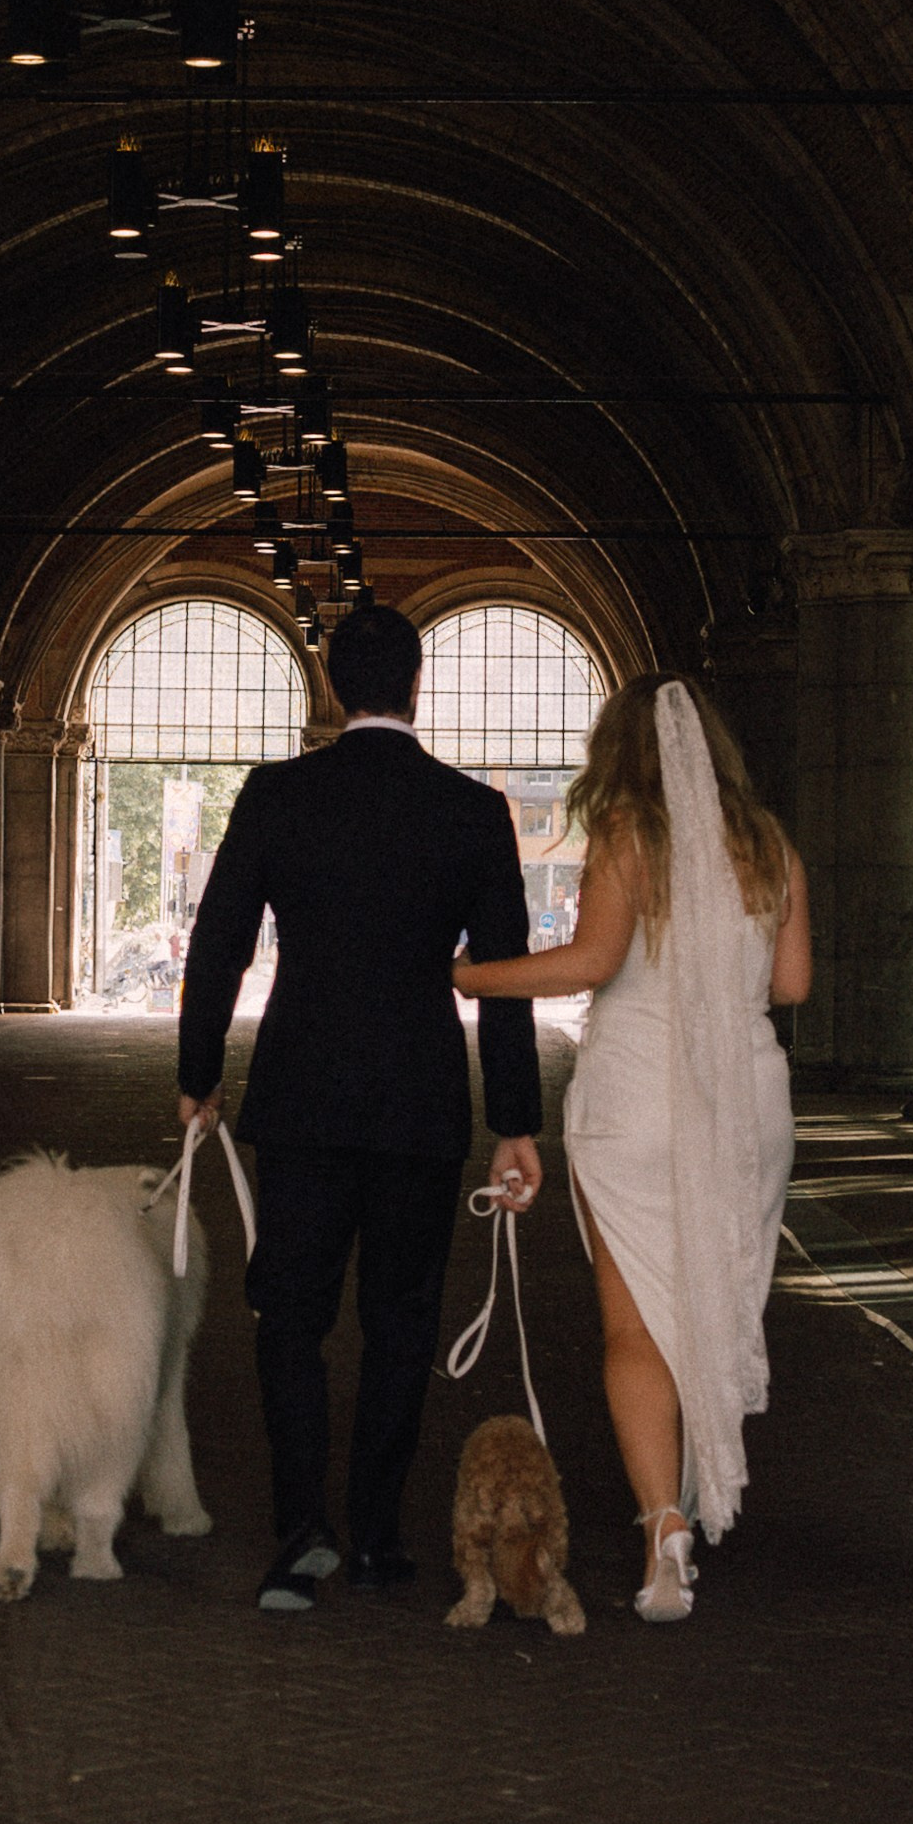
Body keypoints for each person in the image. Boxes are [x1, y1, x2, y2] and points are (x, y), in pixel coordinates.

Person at [178, 600, 543, 1611]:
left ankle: (301, 1532)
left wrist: (197, 1072)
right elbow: (503, 976)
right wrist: (514, 1119)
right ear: (417, 685)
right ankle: (378, 1535)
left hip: (297, 1099)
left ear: (333, 686)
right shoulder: (470, 812)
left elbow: (218, 943)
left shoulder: (276, 795)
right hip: (420, 1104)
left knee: (287, 1321)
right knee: (399, 1324)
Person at [454, 674, 808, 1624]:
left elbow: (589, 964)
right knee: (711, 1307)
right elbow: (791, 983)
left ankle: (664, 1527)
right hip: (747, 1100)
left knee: (635, 1328)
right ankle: (691, 1501)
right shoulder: (771, 843)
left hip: (638, 1099)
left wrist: (459, 972)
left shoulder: (625, 831)